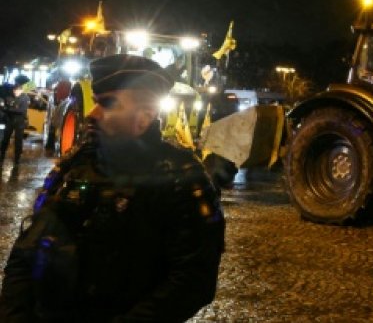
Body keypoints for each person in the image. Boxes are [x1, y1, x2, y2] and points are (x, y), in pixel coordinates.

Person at [0, 54, 226, 321]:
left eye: (107, 104)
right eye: (96, 102)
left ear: (145, 116)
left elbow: (192, 281)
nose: (92, 114)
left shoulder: (181, 178)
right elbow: (26, 251)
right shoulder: (75, 165)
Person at [0, 75, 31, 165]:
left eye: (17, 90)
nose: (15, 92)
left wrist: (8, 109)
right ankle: (2, 155)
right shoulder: (10, 95)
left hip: (19, 122)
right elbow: (4, 107)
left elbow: (21, 110)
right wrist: (7, 109)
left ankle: (17, 158)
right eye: (14, 90)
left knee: (18, 140)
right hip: (10, 120)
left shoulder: (24, 97)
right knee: (6, 138)